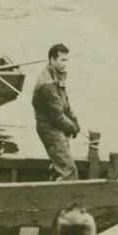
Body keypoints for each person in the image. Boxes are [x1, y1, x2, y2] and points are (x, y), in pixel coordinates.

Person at [32, 43, 81, 182]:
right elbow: (57, 116)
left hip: (56, 128)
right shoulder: (48, 83)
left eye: (67, 60)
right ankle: (67, 203)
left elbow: (64, 102)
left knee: (59, 167)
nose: (65, 64)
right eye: (62, 60)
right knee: (69, 172)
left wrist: (74, 120)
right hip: (49, 129)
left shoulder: (57, 75)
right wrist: (72, 127)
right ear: (52, 60)